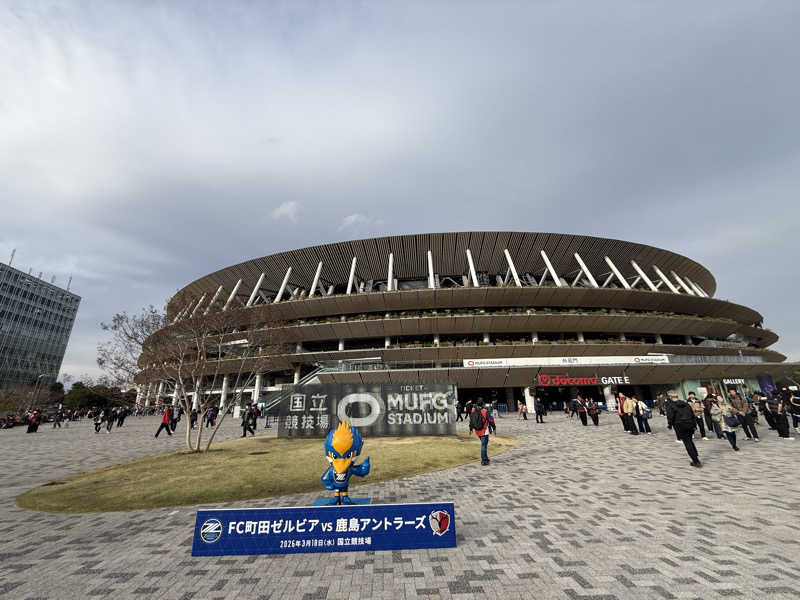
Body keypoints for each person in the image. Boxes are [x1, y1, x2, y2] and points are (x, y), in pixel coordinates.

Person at [669, 390, 702, 467]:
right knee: (690, 441)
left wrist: (670, 425)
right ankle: (696, 457)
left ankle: (695, 461)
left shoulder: (672, 406)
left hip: (680, 426)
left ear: (671, 397)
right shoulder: (686, 404)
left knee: (687, 443)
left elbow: (670, 417)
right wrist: (694, 425)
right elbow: (692, 414)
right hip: (690, 425)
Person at [469, 400, 494, 466]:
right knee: (484, 445)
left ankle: (486, 458)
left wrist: (471, 429)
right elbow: (490, 420)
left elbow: (471, 421)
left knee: (484, 444)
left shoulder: (473, 411)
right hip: (484, 430)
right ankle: (484, 460)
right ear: (483, 404)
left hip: (477, 430)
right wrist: (494, 427)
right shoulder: (485, 411)